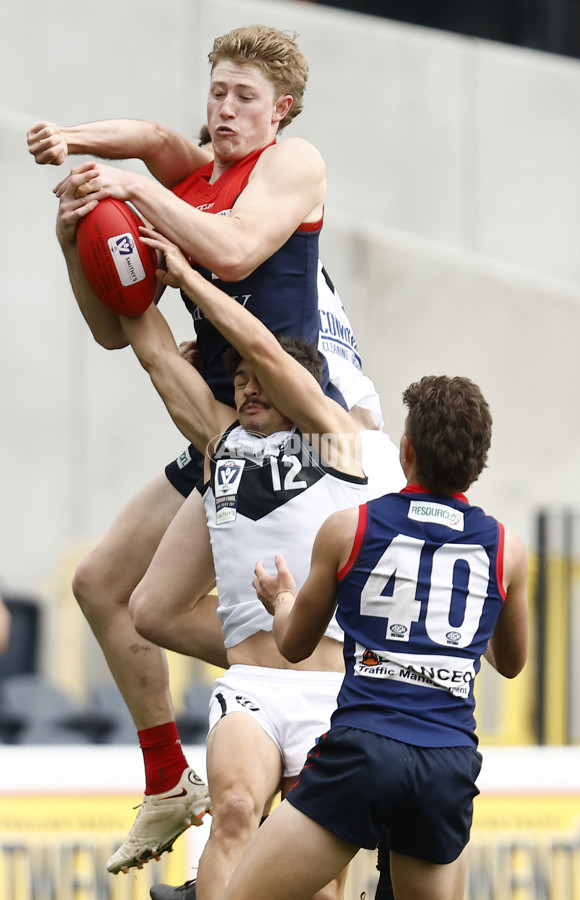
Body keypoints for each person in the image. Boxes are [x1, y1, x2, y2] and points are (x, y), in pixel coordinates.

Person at [26, 24, 392, 874]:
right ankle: (167, 779)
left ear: (282, 112)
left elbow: (229, 249)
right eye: (217, 93)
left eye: (244, 98)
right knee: (118, 595)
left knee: (178, 621)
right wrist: (80, 235)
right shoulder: (195, 181)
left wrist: (123, 183)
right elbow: (122, 332)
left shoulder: (292, 165)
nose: (224, 110)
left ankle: (317, 670)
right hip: (227, 423)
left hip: (296, 419)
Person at [111, 225, 402, 900]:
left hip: (331, 693)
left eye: (259, 382)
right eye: (236, 380)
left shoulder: (341, 445)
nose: (245, 390)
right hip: (253, 688)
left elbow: (269, 350)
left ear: (296, 387)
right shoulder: (220, 441)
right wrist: (106, 261)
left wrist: (191, 280)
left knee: (320, 875)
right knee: (236, 811)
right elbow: (156, 355)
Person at [221, 374, 529, 900]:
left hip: (362, 754)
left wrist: (281, 601)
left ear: (406, 450)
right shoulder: (507, 550)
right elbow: (512, 661)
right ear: (478, 464)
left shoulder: (350, 528)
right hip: (445, 765)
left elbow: (293, 645)